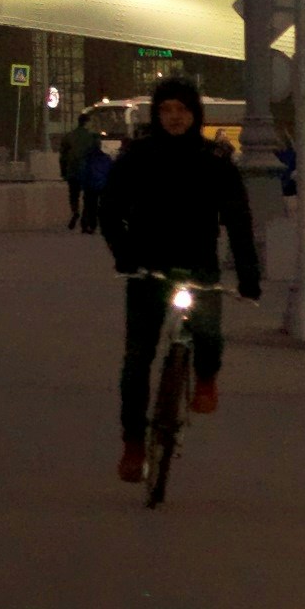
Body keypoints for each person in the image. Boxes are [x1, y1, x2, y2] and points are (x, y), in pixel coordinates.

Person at [89, 79, 265, 480]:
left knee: (209, 334)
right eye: (167, 110)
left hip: (199, 266)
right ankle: (133, 444)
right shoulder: (137, 156)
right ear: (157, 114)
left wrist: (249, 274)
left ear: (195, 115)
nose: (174, 117)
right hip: (146, 268)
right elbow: (110, 209)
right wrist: (124, 254)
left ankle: (205, 376)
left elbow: (238, 220)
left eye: (182, 110)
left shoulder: (215, 160)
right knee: (136, 362)